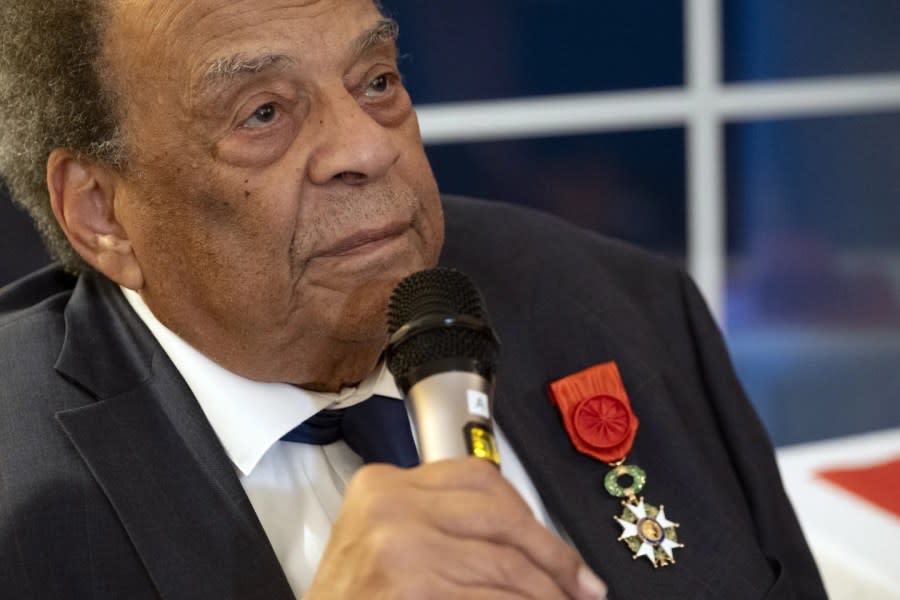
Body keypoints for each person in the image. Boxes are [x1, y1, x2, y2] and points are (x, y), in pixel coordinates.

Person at [0, 1, 826, 598]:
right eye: (262, 114)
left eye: (377, 80)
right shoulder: (21, 484)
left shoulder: (618, 300)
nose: (366, 145)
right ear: (101, 213)